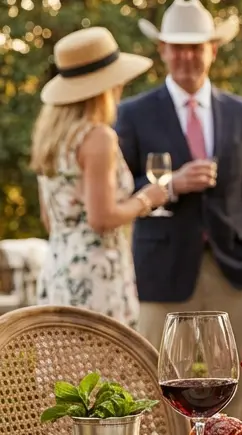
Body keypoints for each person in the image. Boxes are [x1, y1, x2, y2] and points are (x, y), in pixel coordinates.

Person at [116, 0, 242, 432]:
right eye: (178, 47)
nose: (187, 56)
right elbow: (119, 189)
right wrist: (171, 185)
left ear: (212, 50)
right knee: (159, 384)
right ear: (163, 50)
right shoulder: (133, 112)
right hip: (162, 271)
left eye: (195, 47)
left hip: (235, 271)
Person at [30, 28, 169, 327]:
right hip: (96, 276)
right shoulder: (98, 137)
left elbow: (48, 219)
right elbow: (101, 218)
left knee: (64, 356)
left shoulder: (51, 139)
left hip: (59, 267)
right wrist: (147, 199)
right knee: (103, 355)